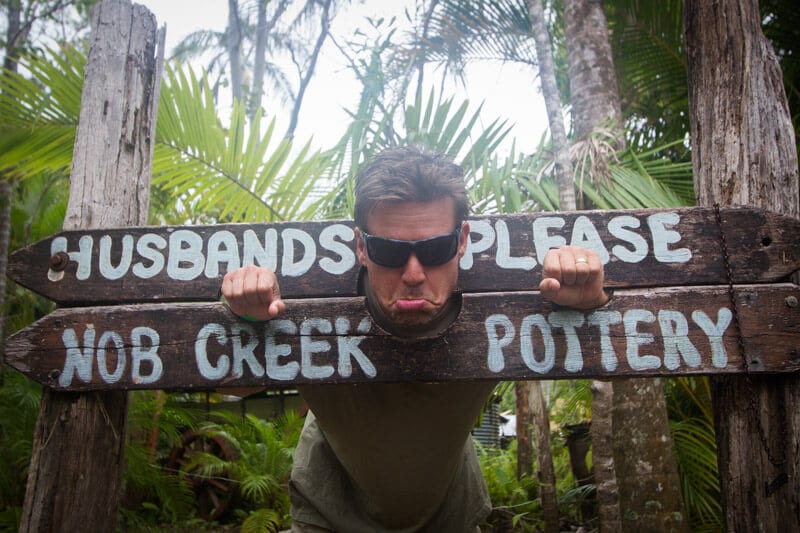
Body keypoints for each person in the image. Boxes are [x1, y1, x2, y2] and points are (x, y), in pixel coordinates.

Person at [222, 146, 608, 532]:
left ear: (461, 241)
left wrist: (590, 301)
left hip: (450, 515)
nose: (412, 274)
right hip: (328, 510)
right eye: (389, 250)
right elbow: (237, 388)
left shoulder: (496, 309)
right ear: (361, 247)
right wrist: (248, 317)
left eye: (435, 248)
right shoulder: (306, 311)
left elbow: (606, 326)